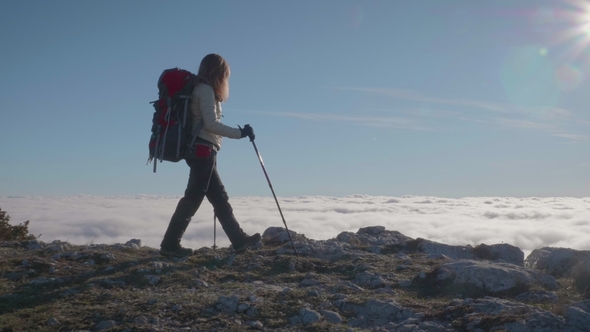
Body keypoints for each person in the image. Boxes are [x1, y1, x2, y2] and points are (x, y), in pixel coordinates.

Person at [160, 53, 260, 257]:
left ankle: (238, 240)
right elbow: (211, 124)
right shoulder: (205, 90)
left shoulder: (202, 89)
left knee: (219, 198)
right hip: (202, 150)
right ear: (219, 73)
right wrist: (240, 133)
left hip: (202, 150)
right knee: (193, 199)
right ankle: (169, 245)